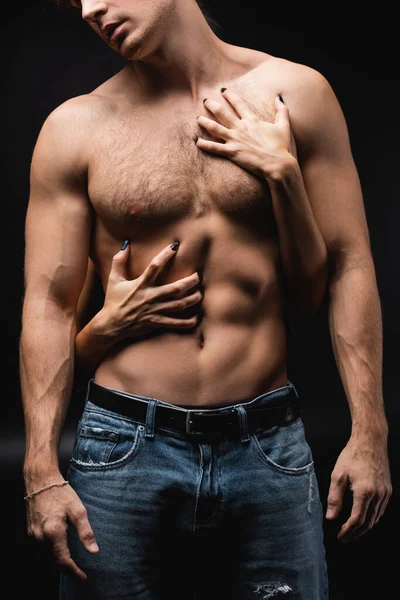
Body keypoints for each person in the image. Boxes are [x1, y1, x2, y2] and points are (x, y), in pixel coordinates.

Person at [19, 0, 392, 598]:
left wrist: (370, 434)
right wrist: (40, 470)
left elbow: (345, 268)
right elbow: (49, 304)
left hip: (267, 441)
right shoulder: (76, 126)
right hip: (123, 444)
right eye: (73, 1)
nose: (90, 9)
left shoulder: (296, 93)